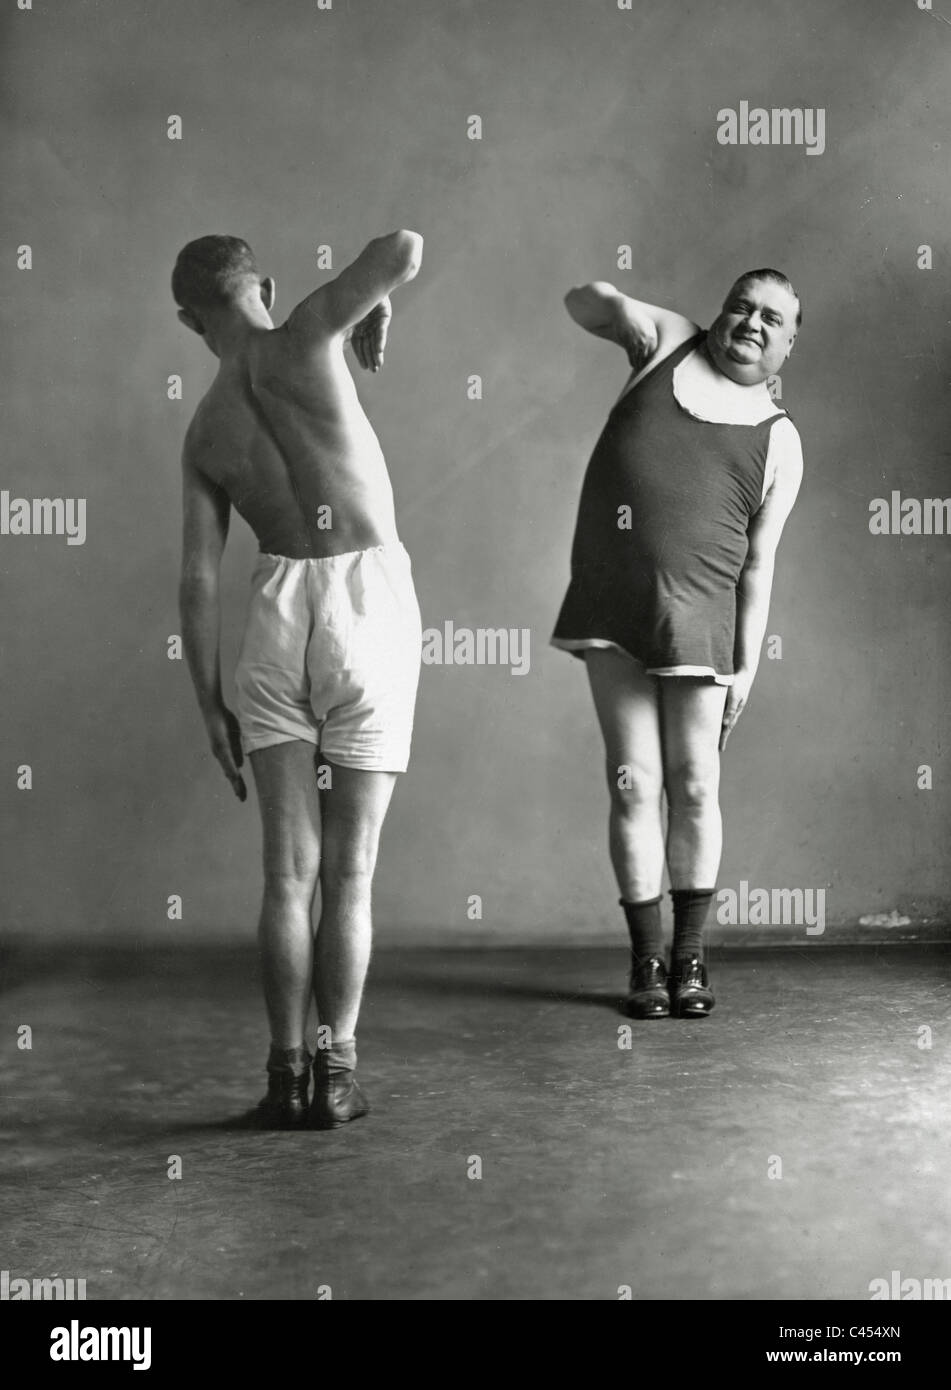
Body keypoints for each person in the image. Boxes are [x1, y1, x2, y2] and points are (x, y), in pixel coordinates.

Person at [173, 229, 424, 1126]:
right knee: (349, 875)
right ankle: (338, 1077)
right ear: (265, 286)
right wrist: (375, 300)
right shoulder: (308, 334)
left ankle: (283, 1078)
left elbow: (199, 579)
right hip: (366, 599)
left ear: (185, 318)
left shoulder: (204, 429)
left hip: (276, 610)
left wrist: (209, 702)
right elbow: (404, 245)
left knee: (288, 876)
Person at [552, 269, 804, 1018]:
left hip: (701, 626)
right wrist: (620, 306)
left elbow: (757, 568)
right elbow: (581, 301)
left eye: (772, 319)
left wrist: (747, 667)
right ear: (717, 311)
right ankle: (645, 962)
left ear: (789, 345)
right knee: (631, 778)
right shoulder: (663, 345)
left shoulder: (779, 440)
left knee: (694, 784)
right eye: (741, 306)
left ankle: (689, 960)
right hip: (612, 607)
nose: (752, 323)